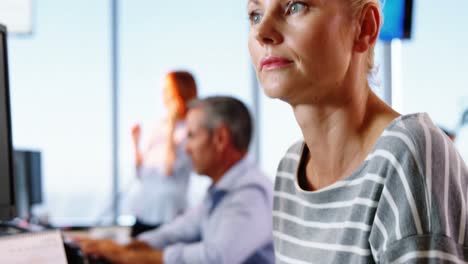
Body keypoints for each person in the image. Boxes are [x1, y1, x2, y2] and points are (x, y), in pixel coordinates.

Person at [248, 0, 468, 263]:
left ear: (364, 27)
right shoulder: (290, 168)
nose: (262, 32)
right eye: (255, 14)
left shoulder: (407, 154)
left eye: (296, 6)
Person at [77, 96, 275, 264]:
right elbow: (181, 229)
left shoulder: (250, 193)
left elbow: (216, 258)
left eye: (191, 135)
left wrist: (129, 255)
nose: (186, 148)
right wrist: (129, 246)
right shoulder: (222, 190)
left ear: (220, 139)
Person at [129, 70, 197, 237]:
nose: (164, 96)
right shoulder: (157, 126)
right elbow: (140, 174)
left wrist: (171, 129)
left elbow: (168, 170)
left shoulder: (191, 129)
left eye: (168, 90)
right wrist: (135, 143)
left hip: (169, 213)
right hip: (145, 212)